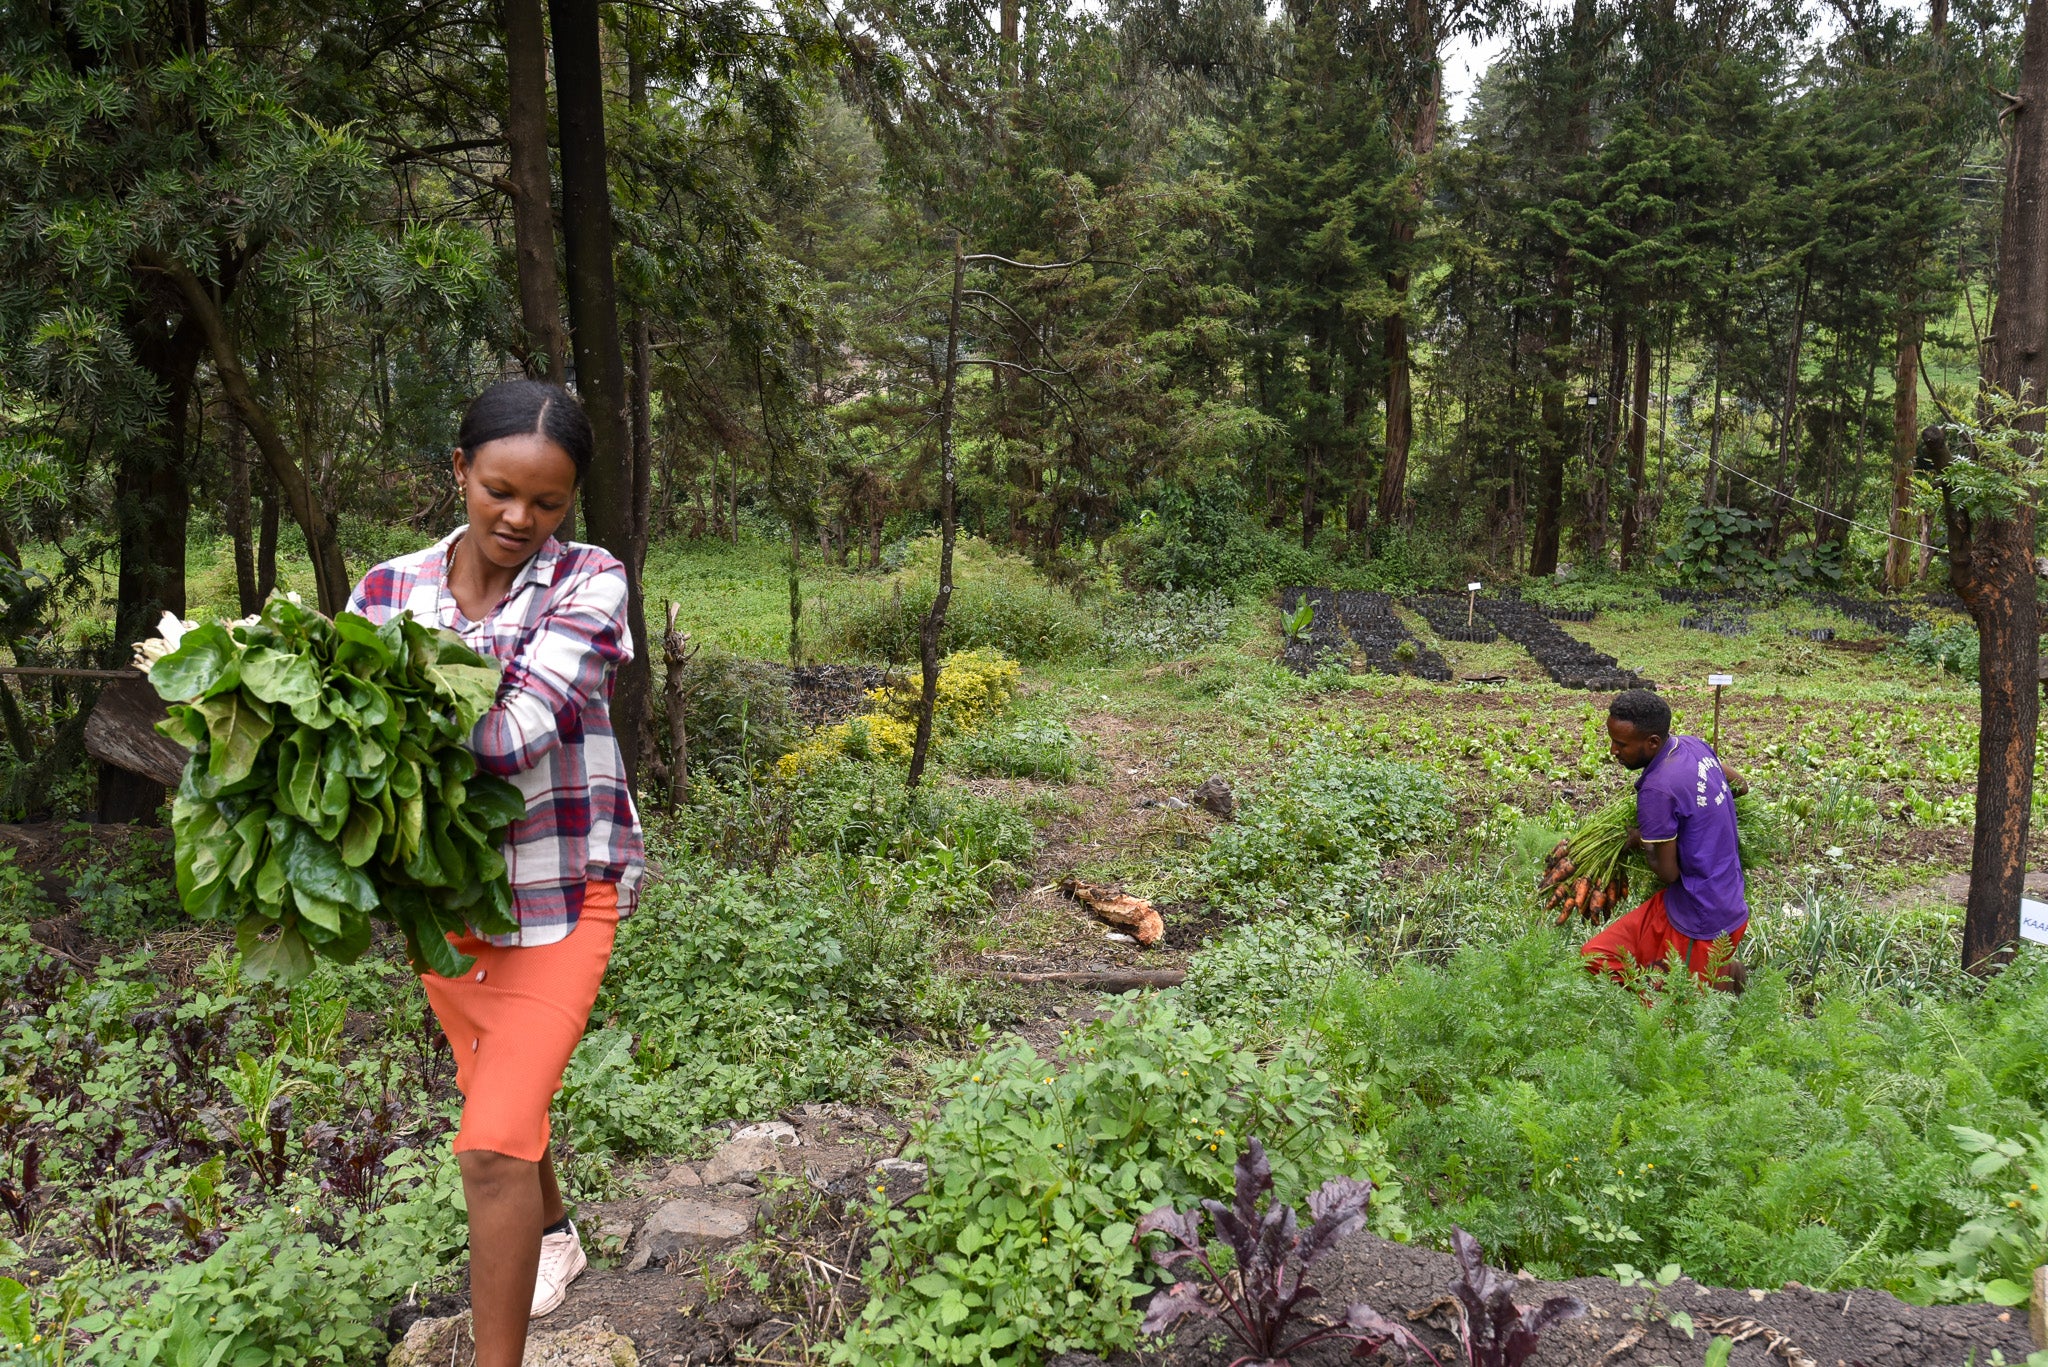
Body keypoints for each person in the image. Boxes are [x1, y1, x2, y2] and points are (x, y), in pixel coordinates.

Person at [347, 379, 645, 1367]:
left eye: (547, 502)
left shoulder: (589, 582)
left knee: (487, 1143)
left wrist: (378, 724)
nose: (519, 517)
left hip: (563, 893)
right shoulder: (385, 591)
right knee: (498, 1099)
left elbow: (518, 730)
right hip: (449, 904)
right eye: (500, 490)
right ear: (460, 471)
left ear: (570, 506)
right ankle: (554, 1229)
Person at [1581, 688, 1748, 992]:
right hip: (1706, 898)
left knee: (1672, 1014)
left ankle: (1715, 978)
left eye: (1621, 744)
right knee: (1595, 956)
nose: (1613, 751)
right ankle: (1713, 976)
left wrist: (1642, 838)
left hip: (1702, 920)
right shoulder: (1693, 745)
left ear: (1653, 742)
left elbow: (1667, 872)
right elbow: (1741, 786)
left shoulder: (1656, 791)